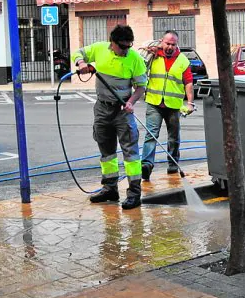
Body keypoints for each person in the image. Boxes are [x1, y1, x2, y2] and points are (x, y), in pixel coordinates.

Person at [72, 25, 147, 210]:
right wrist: (81, 63)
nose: (125, 50)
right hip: (102, 109)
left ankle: (134, 194)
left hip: (122, 111)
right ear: (112, 43)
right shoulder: (99, 49)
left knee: (130, 153)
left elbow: (140, 87)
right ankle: (110, 189)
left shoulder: (135, 59)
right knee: (107, 153)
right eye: (122, 46)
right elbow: (78, 52)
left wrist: (131, 102)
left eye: (129, 46)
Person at [140, 30, 195, 180]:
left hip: (173, 105)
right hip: (154, 102)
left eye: (173, 44)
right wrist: (150, 49)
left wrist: (190, 103)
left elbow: (188, 83)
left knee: (173, 138)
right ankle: (146, 165)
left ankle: (172, 164)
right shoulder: (153, 55)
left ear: (176, 44)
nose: (170, 46)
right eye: (167, 43)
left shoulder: (183, 61)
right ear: (161, 42)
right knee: (151, 135)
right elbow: (139, 54)